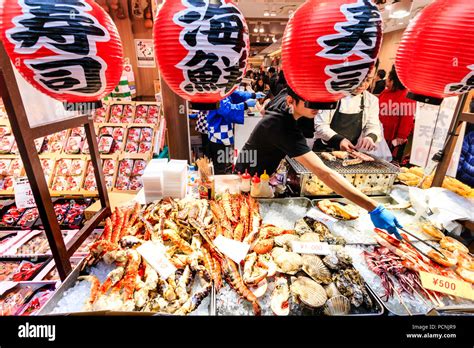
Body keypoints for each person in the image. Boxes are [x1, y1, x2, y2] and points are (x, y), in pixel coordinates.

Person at [235, 86, 403, 239]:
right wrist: (373, 207)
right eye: (311, 103)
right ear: (291, 101)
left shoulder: (287, 97)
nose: (317, 108)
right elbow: (324, 173)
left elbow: (266, 108)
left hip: (252, 162)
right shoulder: (283, 127)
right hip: (250, 176)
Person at [313, 66, 382, 152]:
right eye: (358, 80)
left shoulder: (371, 100)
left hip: (350, 151)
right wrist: (340, 140)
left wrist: (370, 137)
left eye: (368, 80)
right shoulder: (331, 94)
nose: (362, 85)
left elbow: (373, 126)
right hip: (323, 149)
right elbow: (320, 126)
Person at [207, 90, 264, 174]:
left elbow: (235, 94)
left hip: (221, 134)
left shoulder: (223, 88)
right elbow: (227, 110)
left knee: (223, 162)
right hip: (218, 135)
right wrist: (245, 105)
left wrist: (252, 95)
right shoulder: (217, 92)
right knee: (220, 166)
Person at [378, 66, 416, 162]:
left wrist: (400, 138)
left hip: (392, 138)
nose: (386, 79)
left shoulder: (407, 95)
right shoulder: (385, 92)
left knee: (385, 161)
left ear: (395, 80)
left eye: (389, 77)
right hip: (378, 133)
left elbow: (407, 120)